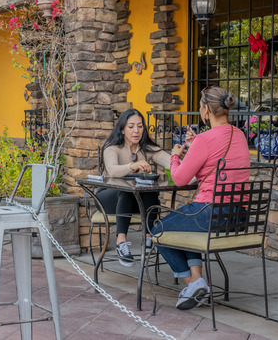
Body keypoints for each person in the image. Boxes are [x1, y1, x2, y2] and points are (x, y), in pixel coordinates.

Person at [152, 85, 250, 311]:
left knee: (158, 229)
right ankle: (198, 282)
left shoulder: (204, 140)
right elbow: (214, 161)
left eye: (199, 108)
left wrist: (176, 156)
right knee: (185, 224)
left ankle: (194, 283)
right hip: (239, 217)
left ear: (206, 110)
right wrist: (197, 145)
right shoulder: (240, 135)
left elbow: (178, 179)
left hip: (210, 214)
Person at [96, 109, 172, 267]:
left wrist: (179, 158)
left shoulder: (146, 148)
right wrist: (133, 166)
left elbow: (168, 161)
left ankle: (149, 236)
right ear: (122, 129)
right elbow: (112, 170)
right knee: (127, 191)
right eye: (131, 126)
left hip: (136, 201)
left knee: (149, 189)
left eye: (139, 126)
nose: (136, 131)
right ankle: (121, 241)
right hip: (107, 198)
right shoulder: (112, 148)